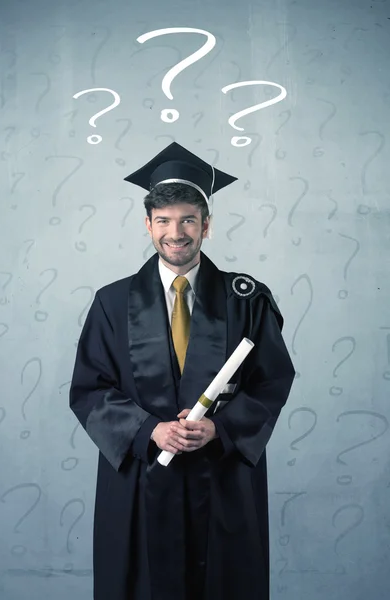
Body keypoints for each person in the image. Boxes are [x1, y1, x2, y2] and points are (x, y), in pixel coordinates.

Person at [69, 141, 296, 600]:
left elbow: (272, 381)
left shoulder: (246, 299)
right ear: (148, 225)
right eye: (165, 221)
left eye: (188, 220)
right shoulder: (112, 303)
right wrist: (149, 430)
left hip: (220, 480)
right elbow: (90, 389)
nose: (177, 232)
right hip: (142, 480)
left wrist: (220, 429)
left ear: (206, 226)